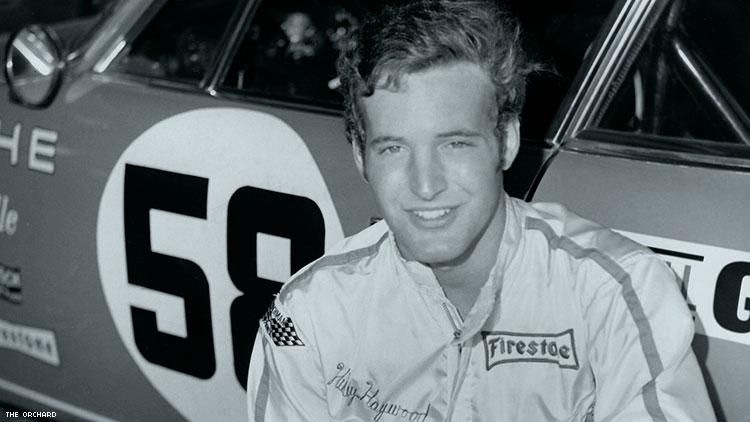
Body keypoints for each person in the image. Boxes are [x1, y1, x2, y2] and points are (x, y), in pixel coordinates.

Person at [246, 1, 716, 420]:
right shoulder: (310, 313)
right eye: (393, 148)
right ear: (360, 156)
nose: (425, 185)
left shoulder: (612, 293)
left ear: (506, 141)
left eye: (455, 144)